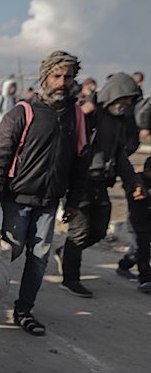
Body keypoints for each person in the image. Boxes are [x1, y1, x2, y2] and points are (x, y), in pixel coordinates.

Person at [0, 51, 90, 336]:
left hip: (49, 202)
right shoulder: (23, 112)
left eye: (68, 77)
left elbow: (81, 160)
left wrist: (74, 200)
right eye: (57, 76)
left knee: (39, 257)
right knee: (12, 250)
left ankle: (23, 310)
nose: (62, 82)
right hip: (17, 199)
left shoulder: (76, 116)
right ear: (45, 77)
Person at [53, 73, 143, 298]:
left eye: (130, 100)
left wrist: (134, 182)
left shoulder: (118, 122)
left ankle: (65, 253)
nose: (126, 104)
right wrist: (87, 108)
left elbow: (120, 156)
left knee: (99, 230)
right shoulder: (89, 114)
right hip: (78, 182)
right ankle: (70, 278)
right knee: (79, 231)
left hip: (101, 183)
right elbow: (66, 128)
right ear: (113, 95)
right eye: (123, 99)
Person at [127, 156, 151, 293]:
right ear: (147, 170)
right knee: (142, 252)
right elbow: (133, 197)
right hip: (138, 223)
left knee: (139, 251)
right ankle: (145, 280)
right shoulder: (137, 182)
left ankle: (124, 265)